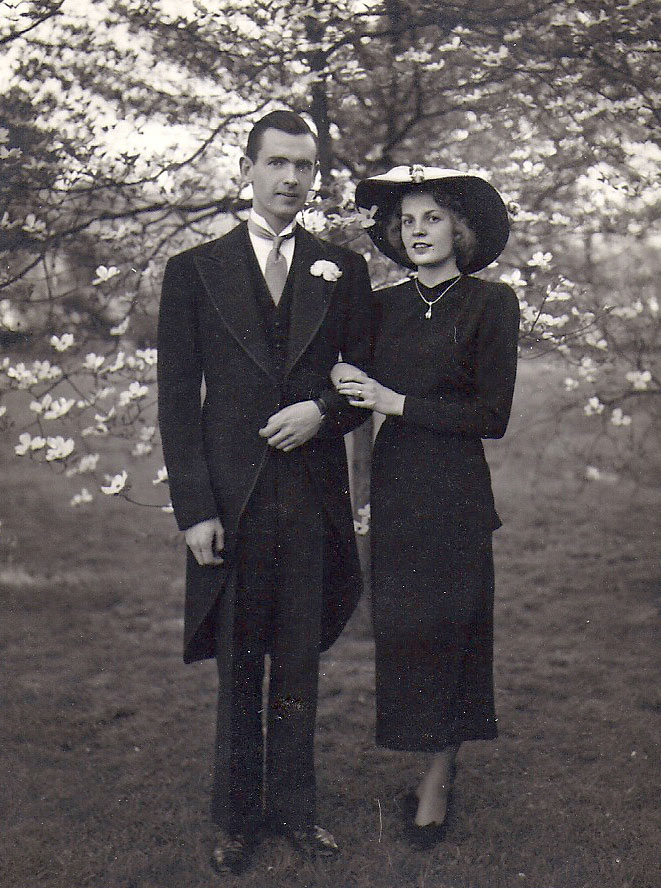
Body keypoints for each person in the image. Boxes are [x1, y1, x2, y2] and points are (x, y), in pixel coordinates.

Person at [157, 110, 372, 874]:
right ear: (245, 169)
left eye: (304, 167)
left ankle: (296, 811)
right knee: (239, 664)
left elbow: (363, 384)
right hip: (233, 503)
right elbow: (177, 399)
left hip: (311, 502)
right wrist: (195, 512)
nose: (290, 179)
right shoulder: (194, 270)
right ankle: (236, 819)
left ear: (315, 176)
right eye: (276, 163)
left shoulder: (340, 269)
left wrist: (323, 411)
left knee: (300, 666)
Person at [331, 165, 519, 845]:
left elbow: (490, 415)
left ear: (460, 229)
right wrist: (342, 382)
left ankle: (437, 782)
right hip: (397, 492)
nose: (415, 231)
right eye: (405, 221)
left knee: (453, 639)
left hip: (457, 498)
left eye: (431, 218)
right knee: (409, 638)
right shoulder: (381, 307)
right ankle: (426, 759)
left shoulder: (490, 304)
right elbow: (344, 379)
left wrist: (395, 402)